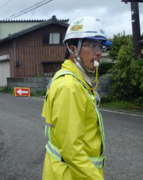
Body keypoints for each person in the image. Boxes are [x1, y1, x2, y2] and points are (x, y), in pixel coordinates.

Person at [42, 16, 112, 179]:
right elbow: (72, 151)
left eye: (101, 46)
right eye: (92, 45)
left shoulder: (76, 80)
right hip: (70, 175)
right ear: (73, 49)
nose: (99, 52)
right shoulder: (70, 87)